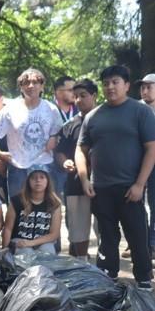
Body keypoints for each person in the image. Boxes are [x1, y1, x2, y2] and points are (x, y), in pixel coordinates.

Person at [76, 65, 155, 289]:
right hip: (100, 188)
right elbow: (80, 150)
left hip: (131, 188)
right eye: (106, 83)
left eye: (115, 82)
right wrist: (85, 179)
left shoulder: (141, 112)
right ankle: (107, 279)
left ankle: (143, 281)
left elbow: (152, 148)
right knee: (107, 238)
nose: (110, 87)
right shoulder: (93, 116)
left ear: (127, 85)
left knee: (138, 237)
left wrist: (140, 184)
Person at [0, 68, 61, 199]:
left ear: (42, 86)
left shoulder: (51, 109)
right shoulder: (11, 108)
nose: (31, 86)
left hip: (44, 164)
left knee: (45, 209)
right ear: (21, 87)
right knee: (17, 210)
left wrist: (55, 137)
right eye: (26, 82)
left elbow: (61, 132)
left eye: (35, 82)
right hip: (18, 166)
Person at [54, 78, 98, 259]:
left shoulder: (106, 119)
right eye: (76, 96)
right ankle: (81, 263)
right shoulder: (69, 125)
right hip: (75, 184)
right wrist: (64, 162)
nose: (79, 100)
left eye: (83, 96)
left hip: (104, 183)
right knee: (78, 228)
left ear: (94, 96)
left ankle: (106, 265)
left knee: (104, 226)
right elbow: (59, 151)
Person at [2, 165, 62, 255]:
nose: (38, 180)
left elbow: (54, 234)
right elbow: (8, 229)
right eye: (34, 178)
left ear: (48, 181)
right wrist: (4, 252)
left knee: (47, 251)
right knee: (26, 253)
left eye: (42, 177)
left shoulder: (54, 203)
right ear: (28, 181)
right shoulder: (16, 201)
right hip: (20, 240)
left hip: (44, 241)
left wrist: (31, 243)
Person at [137, 73, 155, 259]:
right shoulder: (135, 108)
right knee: (136, 203)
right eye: (143, 87)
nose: (145, 90)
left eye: (149, 86)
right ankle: (138, 242)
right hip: (137, 162)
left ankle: (153, 243)